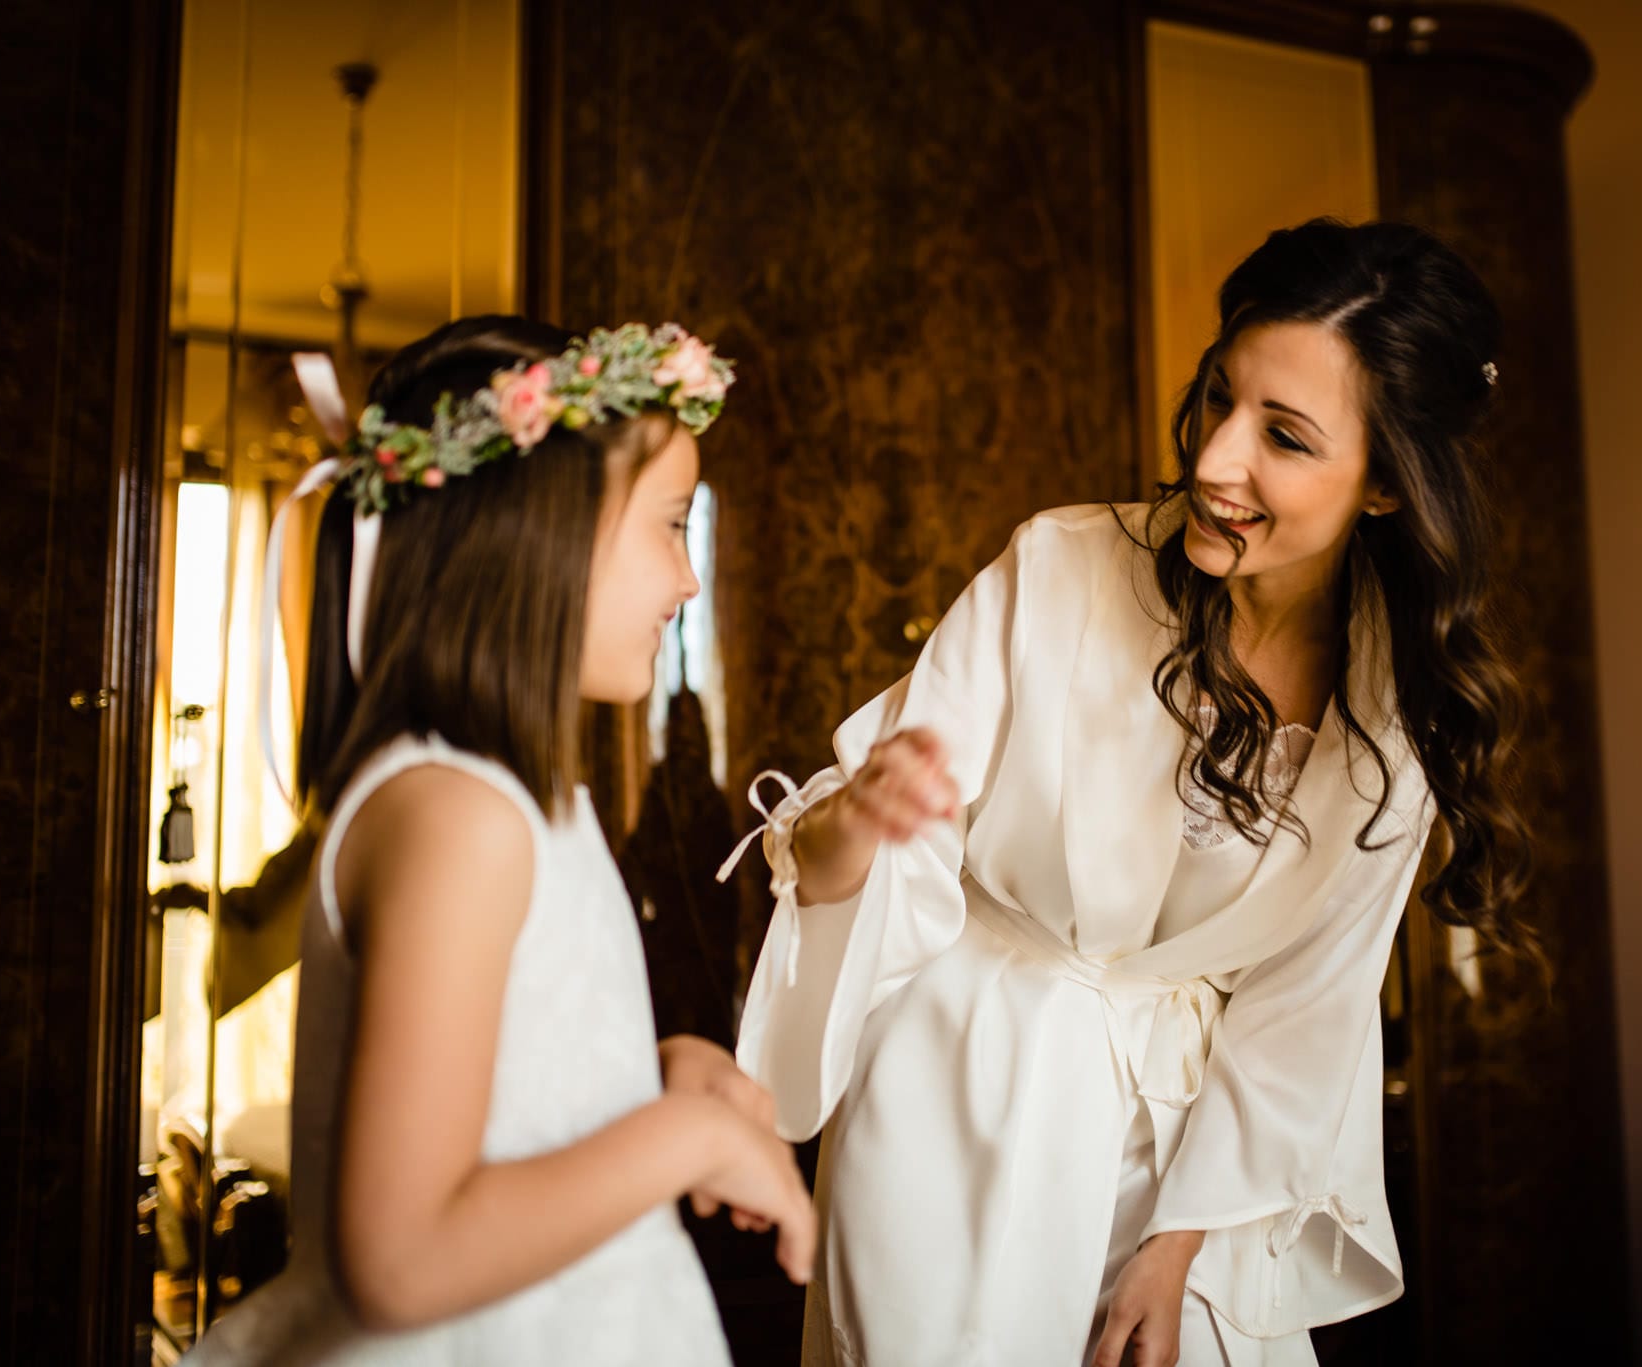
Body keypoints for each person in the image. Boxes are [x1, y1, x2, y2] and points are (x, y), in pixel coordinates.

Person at [728, 220, 1534, 1366]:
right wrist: (854, 820)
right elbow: (865, 864)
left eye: (1285, 437)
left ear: (1387, 490)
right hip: (953, 1103)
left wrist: (1178, 1247)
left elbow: (1300, 1013)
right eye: (1217, 397)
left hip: (1182, 1148)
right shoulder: (1054, 568)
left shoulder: (1387, 731)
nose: (1214, 459)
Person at [189, 316, 814, 1365]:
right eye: (668, 525)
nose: (687, 580)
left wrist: (654, 1077)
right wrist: (686, 1139)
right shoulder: (456, 815)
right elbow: (402, 1257)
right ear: (546, 530)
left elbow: (511, 1082)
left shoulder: (527, 802)